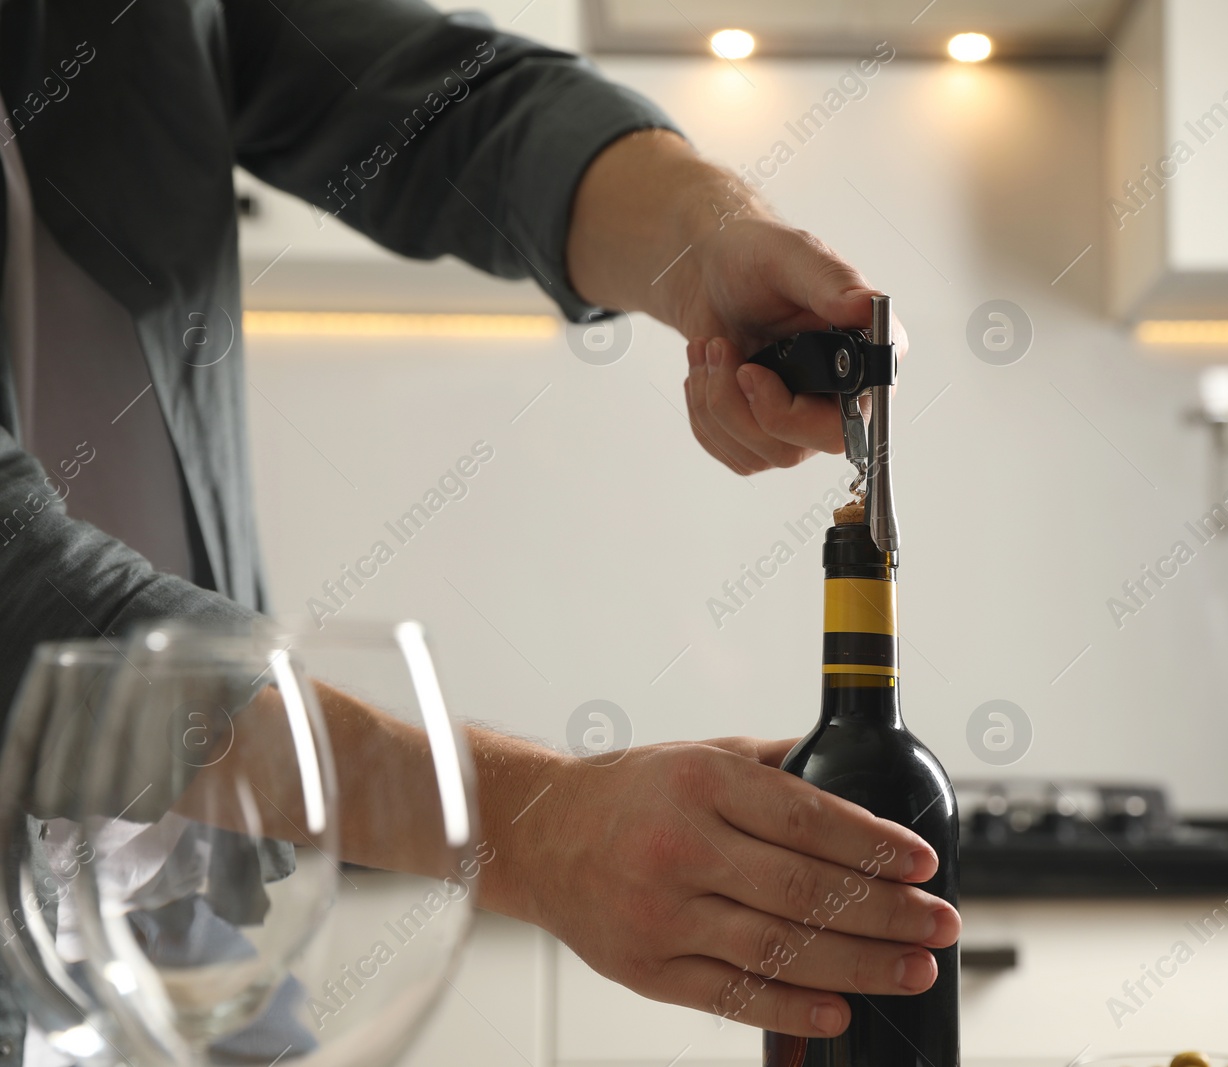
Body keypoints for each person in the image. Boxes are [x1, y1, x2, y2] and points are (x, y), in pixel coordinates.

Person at [0, 0, 956, 1059]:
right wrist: (535, 828)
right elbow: (17, 582)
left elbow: (450, 107)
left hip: (191, 936)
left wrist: (703, 235)